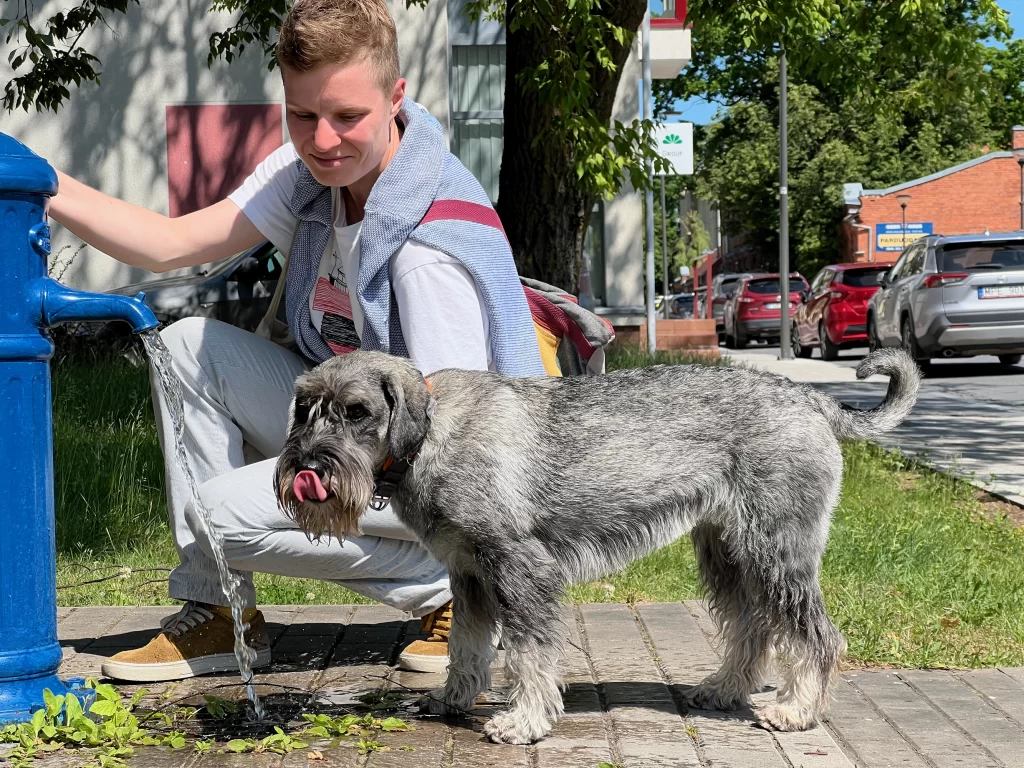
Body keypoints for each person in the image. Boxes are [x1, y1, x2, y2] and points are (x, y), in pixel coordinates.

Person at [47, 0, 546, 682]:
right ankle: (221, 616)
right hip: (352, 426)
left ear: (396, 98)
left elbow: (446, 449)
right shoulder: (311, 176)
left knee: (217, 516)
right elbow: (171, 244)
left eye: (347, 117)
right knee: (191, 345)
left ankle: (459, 590)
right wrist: (43, 185)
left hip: (452, 476)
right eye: (303, 115)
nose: (323, 138)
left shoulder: (426, 248)